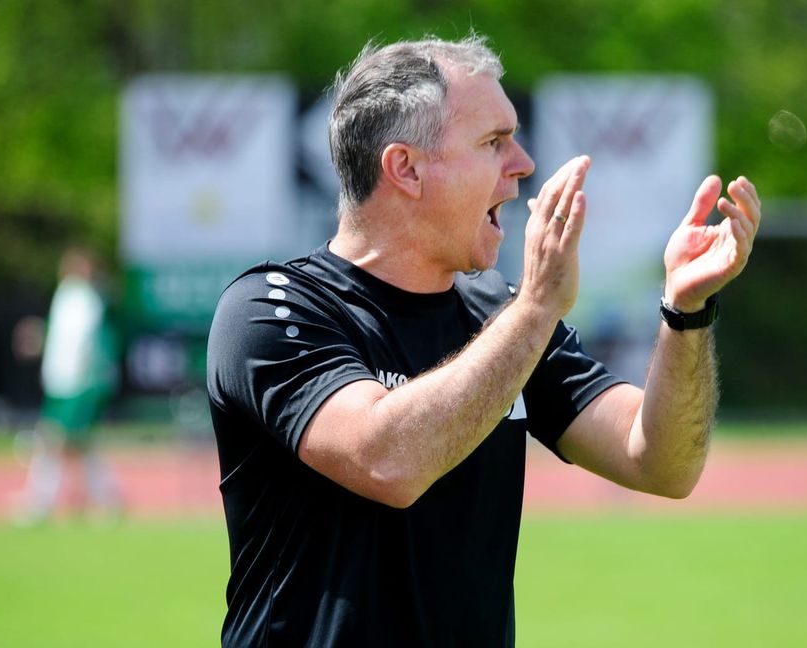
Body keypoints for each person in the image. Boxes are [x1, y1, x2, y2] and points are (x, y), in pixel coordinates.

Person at [206, 35, 761, 646]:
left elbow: (660, 462)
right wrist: (537, 307)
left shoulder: (500, 316)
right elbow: (387, 461)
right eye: (493, 142)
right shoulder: (272, 307)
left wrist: (685, 311)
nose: (523, 163)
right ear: (406, 169)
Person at [15, 247, 124, 525]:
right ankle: (109, 499)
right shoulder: (67, 295)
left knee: (53, 440)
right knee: (77, 445)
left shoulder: (90, 299)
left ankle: (40, 502)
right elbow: (63, 338)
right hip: (62, 383)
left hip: (79, 384)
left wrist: (92, 383)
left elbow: (89, 344)